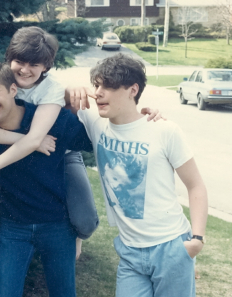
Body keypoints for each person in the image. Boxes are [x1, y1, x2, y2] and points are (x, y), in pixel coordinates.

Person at [0, 59, 93, 297]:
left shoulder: (52, 121)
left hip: (57, 226)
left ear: (13, 90)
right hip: (12, 228)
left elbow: (103, 134)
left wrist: (147, 116)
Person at [75, 53, 208, 297]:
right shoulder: (96, 121)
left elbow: (195, 185)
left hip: (171, 247)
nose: (99, 93)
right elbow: (58, 99)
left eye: (109, 86)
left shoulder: (164, 130)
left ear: (132, 90)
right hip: (130, 251)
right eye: (97, 85)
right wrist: (75, 90)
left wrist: (197, 240)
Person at [0, 26, 98, 257]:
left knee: (85, 221)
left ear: (46, 66)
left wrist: (33, 142)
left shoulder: (51, 90)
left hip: (62, 153)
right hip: (28, 151)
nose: (25, 70)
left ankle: (78, 237)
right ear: (10, 59)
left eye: (34, 65)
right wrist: (31, 141)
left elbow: (36, 138)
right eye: (20, 61)